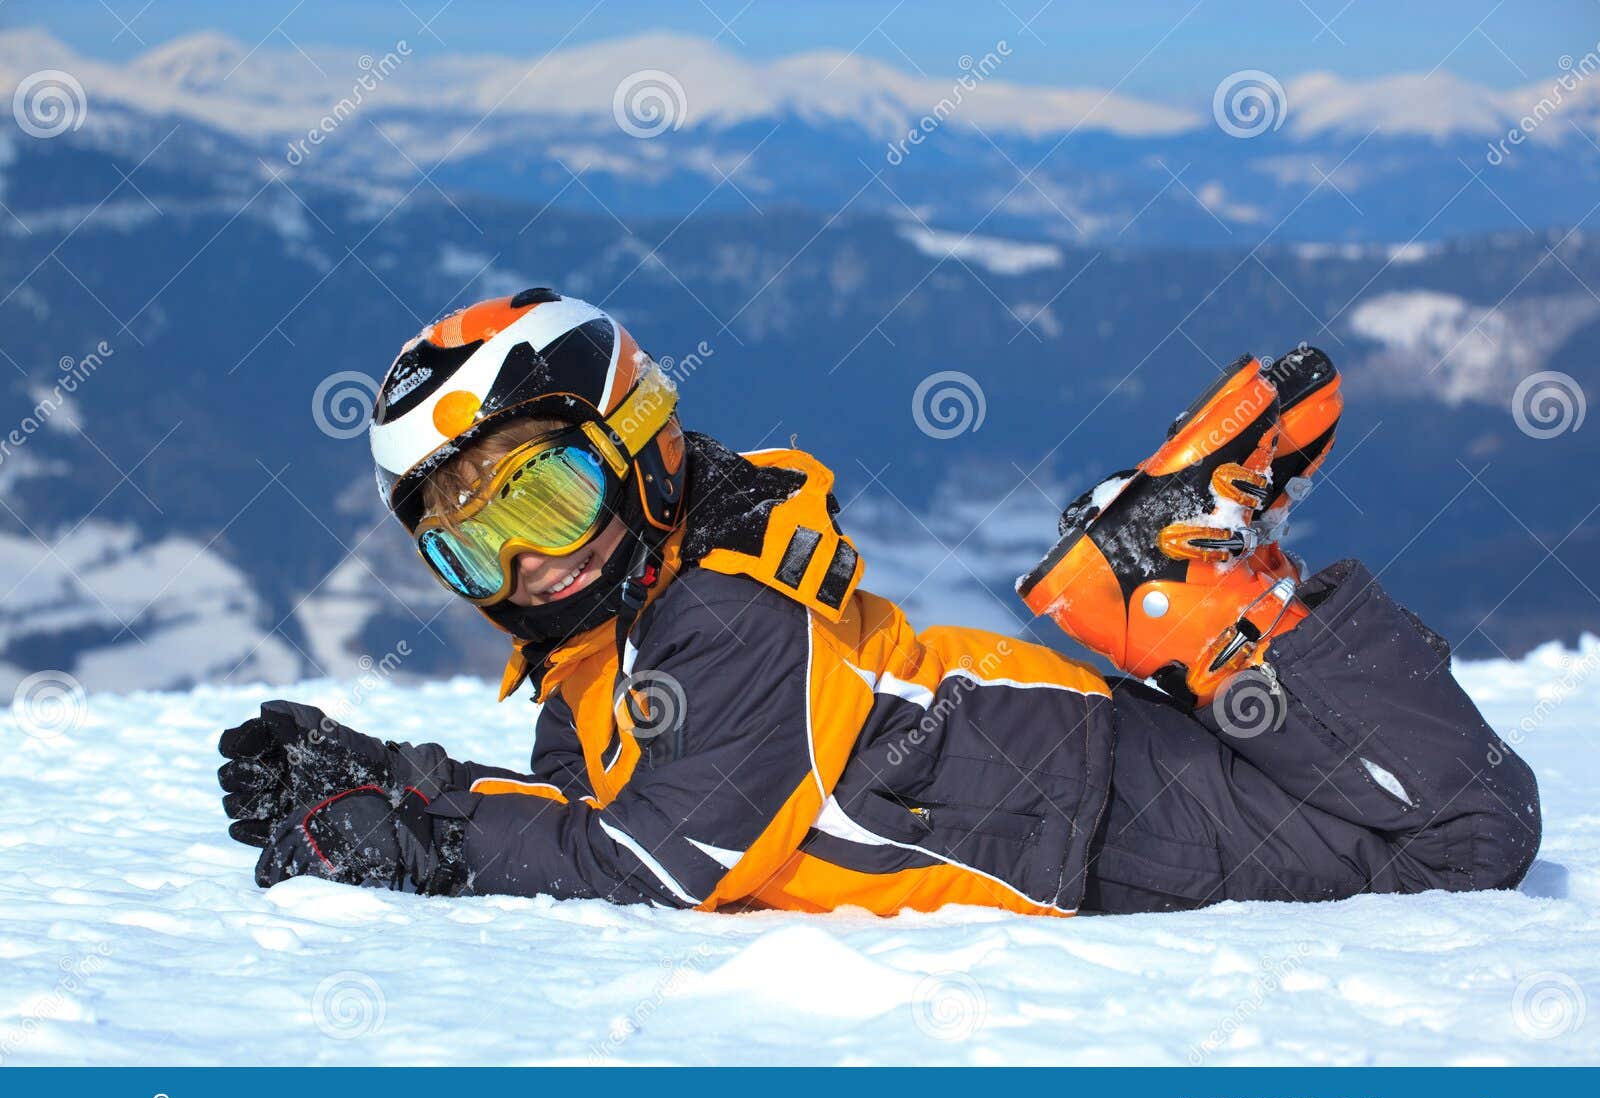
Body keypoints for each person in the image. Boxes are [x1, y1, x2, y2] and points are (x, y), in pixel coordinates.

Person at [217, 289, 1541, 915]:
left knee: (1471, 838)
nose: (527, 568)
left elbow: (647, 863)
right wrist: (389, 777)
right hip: (1049, 780)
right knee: (1442, 830)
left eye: (545, 505)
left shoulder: (722, 616)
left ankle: (1207, 584)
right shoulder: (610, 637)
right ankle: (1181, 593)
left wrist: (419, 841)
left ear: (639, 444)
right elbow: (582, 817)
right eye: (471, 549)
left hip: (1090, 815)